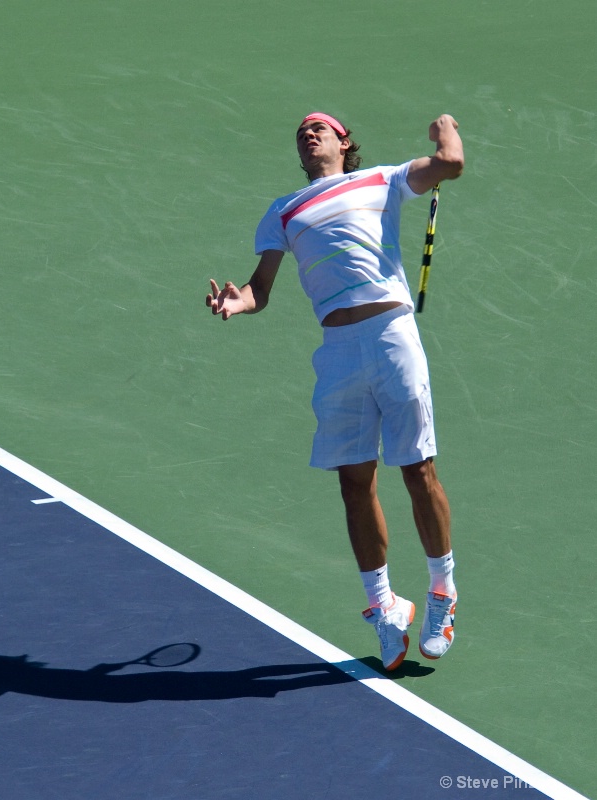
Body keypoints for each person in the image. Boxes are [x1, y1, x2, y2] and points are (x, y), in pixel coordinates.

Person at [206, 112, 464, 671]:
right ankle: (384, 607)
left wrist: (444, 126)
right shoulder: (284, 210)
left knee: (418, 469)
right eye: (300, 130)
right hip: (339, 349)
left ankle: (442, 590)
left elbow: (451, 164)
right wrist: (237, 301)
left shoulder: (383, 179)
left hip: (393, 333)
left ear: (344, 143)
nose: (308, 130)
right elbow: (261, 288)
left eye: (319, 126)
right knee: (355, 482)